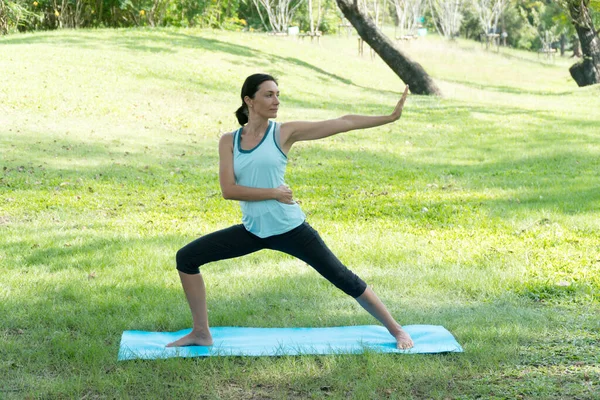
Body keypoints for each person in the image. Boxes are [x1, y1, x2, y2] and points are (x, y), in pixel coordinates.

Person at [167, 73, 414, 350]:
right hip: (253, 230)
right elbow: (229, 190)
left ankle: (397, 330)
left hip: (291, 230)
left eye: (277, 94)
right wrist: (273, 193)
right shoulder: (229, 141)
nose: (276, 101)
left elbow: (342, 122)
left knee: (344, 278)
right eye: (268, 95)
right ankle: (201, 332)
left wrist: (390, 117)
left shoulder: (284, 133)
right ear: (249, 100)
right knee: (186, 258)